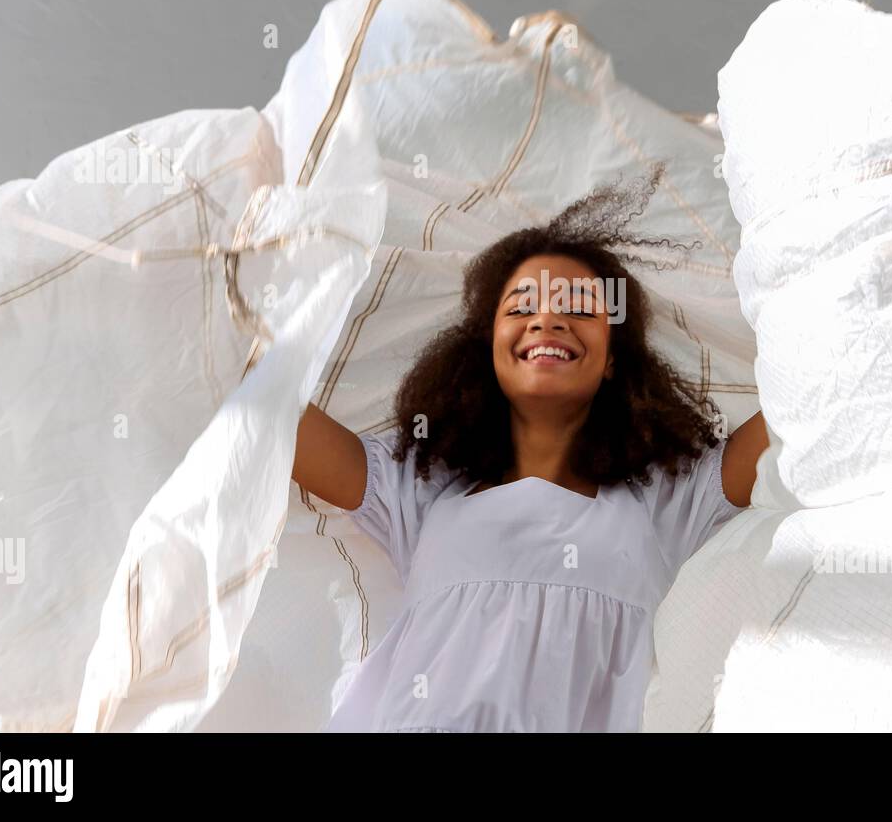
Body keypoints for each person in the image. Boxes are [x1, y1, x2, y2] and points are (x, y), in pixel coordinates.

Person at [292, 169, 768, 731]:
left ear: (613, 358)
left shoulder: (667, 504)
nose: (549, 318)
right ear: (487, 351)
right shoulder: (420, 489)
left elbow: (801, 394)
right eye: (521, 308)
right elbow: (263, 414)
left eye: (582, 308)